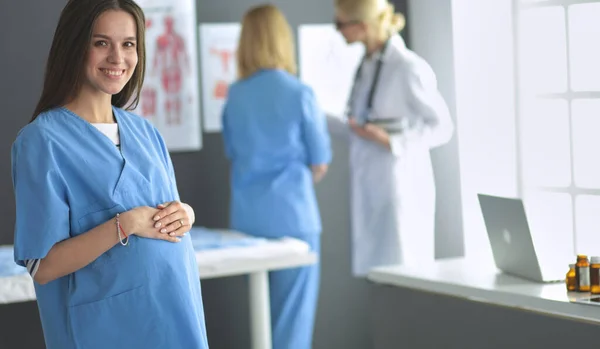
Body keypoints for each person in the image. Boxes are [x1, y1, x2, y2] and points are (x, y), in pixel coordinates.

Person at [11, 1, 209, 348]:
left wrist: (186, 214)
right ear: (75, 45)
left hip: (176, 316)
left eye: (128, 44)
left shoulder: (146, 133)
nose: (118, 57)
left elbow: (165, 216)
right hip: (106, 331)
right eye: (101, 43)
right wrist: (125, 224)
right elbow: (42, 265)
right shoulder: (42, 142)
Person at [221, 4, 332, 349]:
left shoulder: (235, 96)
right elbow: (320, 161)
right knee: (291, 326)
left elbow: (233, 152)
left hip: (248, 222)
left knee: (262, 324)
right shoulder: (300, 93)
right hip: (293, 218)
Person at [332, 0, 454, 277]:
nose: (337, 31)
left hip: (400, 188)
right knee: (379, 277)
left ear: (362, 26)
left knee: (403, 273)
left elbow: (442, 127)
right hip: (371, 185)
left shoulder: (408, 67)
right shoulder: (367, 64)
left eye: (340, 24)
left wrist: (393, 141)